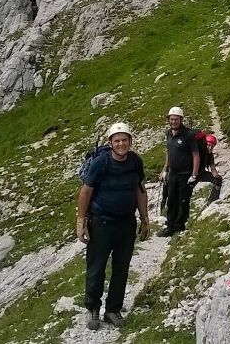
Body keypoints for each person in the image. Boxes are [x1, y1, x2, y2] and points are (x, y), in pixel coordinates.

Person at [76, 122, 150, 330]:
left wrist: (145, 219)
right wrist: (81, 221)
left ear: (130, 142)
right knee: (96, 267)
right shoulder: (100, 162)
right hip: (102, 222)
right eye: (117, 140)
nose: (121, 144)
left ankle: (112, 309)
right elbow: (86, 191)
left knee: (121, 268)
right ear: (110, 143)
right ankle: (93, 308)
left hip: (126, 222)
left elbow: (140, 191)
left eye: (124, 140)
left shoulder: (135, 161)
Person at [158, 106, 200, 237]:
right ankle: (170, 225)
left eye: (176, 119)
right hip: (173, 173)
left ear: (181, 120)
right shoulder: (169, 133)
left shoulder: (188, 135)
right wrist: (165, 169)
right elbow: (169, 153)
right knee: (171, 199)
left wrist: (194, 174)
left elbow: (196, 155)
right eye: (171, 119)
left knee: (183, 200)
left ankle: (179, 225)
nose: (173, 121)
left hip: (185, 174)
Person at [191, 132, 223, 204]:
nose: (210, 148)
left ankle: (212, 201)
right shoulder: (199, 151)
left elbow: (213, 168)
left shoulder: (209, 154)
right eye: (208, 145)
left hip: (199, 174)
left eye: (212, 146)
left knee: (218, 179)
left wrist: (217, 177)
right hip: (192, 174)